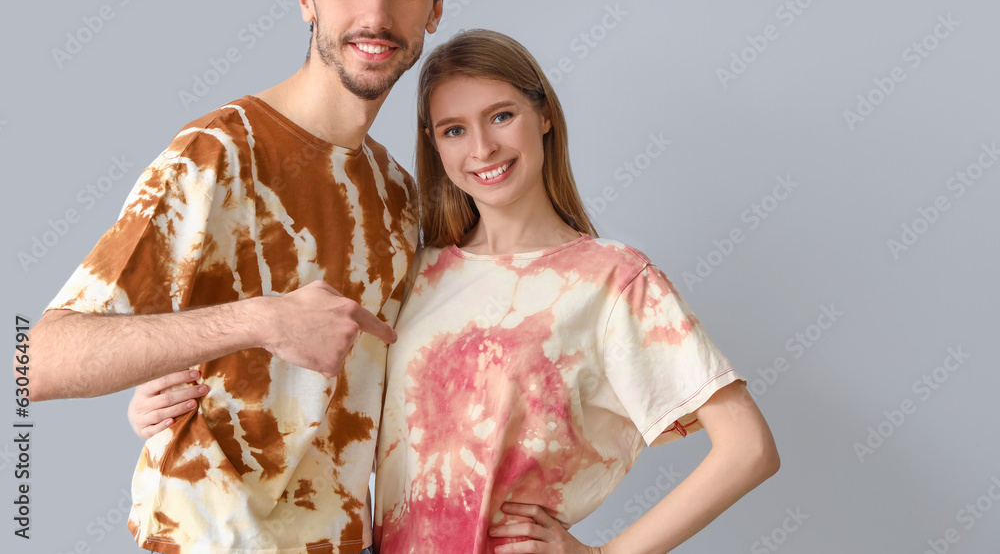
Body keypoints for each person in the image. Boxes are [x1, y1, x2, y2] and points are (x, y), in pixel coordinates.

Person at [133, 30, 780, 553]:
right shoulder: (414, 274)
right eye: (453, 129)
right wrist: (171, 412)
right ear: (434, 144)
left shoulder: (613, 280)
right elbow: (313, 394)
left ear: (544, 116)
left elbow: (748, 448)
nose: (483, 147)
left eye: (502, 115)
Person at [26, 0, 457, 553]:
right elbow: (39, 360)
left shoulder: (399, 194)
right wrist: (260, 320)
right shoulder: (218, 153)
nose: (375, 13)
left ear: (434, 11)